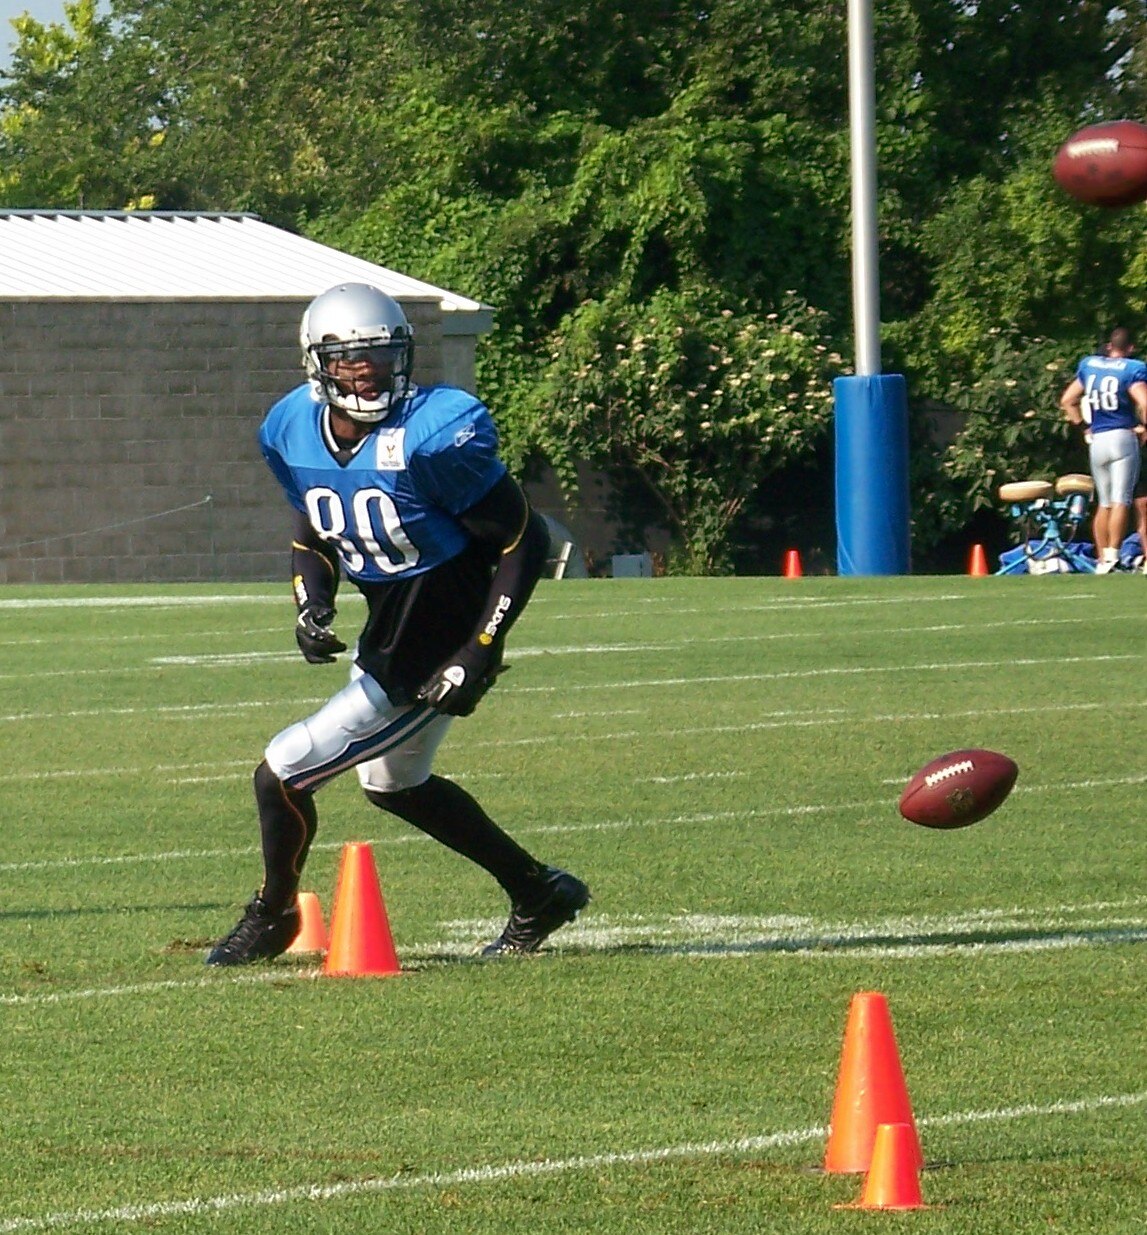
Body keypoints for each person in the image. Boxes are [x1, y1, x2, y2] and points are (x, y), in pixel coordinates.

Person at [206, 283, 589, 965]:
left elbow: (521, 540)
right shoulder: (291, 428)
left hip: (435, 635)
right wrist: (310, 599)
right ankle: (538, 891)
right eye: (352, 359)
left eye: (382, 356)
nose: (369, 371)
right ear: (317, 363)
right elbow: (311, 527)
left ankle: (272, 914)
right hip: (389, 625)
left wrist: (478, 648)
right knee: (393, 784)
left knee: (281, 774)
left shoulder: (433, 433)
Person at [1060, 326, 1147, 573]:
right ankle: (1112, 556)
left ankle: (1101, 560)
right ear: (1130, 348)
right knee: (1122, 499)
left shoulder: (1090, 365)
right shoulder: (1133, 369)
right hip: (1122, 436)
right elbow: (1145, 402)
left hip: (1097, 439)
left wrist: (1084, 427)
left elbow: (1067, 400)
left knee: (1104, 501)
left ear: (1109, 346)